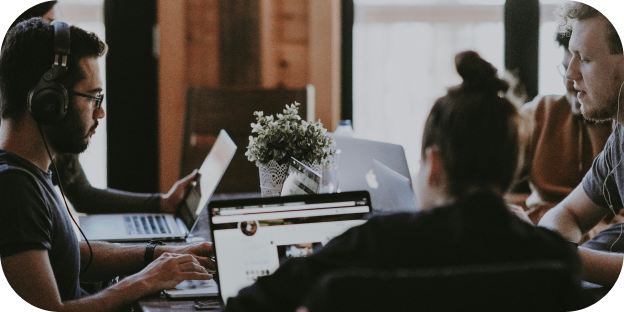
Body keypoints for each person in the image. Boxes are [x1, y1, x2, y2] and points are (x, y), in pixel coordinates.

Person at [223, 51, 582, 311]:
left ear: (435, 164)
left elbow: (247, 306)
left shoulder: (375, 242)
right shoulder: (555, 259)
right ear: (512, 166)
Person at [0, 18, 213, 311]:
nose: (100, 113)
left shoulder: (29, 174)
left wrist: (161, 255)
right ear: (48, 101)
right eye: (93, 97)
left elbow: (69, 255)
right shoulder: (13, 188)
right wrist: (144, 281)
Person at [7, 1, 199, 215]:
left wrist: (162, 203)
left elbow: (84, 196)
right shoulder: (15, 180)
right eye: (48, 27)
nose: (61, 42)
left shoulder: (56, 125)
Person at [537, 1, 624, 288]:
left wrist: (556, 253)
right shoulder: (620, 139)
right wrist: (551, 246)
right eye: (570, 57)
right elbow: (566, 213)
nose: (571, 76)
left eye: (584, 59)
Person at [512, 32, 615, 229]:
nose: (570, 82)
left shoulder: (618, 135)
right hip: (547, 230)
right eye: (566, 68)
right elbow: (491, 170)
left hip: (594, 240)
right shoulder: (541, 112)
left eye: (584, 68)